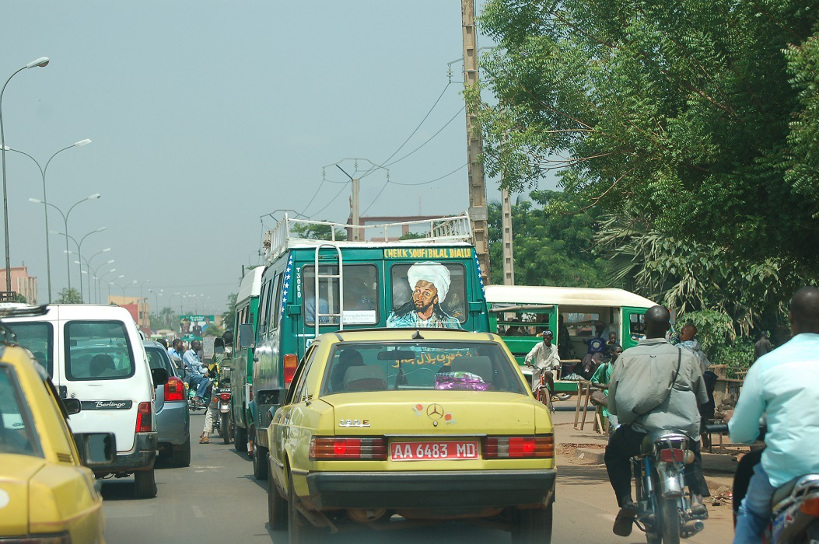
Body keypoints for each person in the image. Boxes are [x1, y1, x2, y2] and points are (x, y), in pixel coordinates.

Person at [605, 305, 710, 536]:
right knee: (693, 444)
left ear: (644, 327)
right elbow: (702, 398)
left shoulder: (626, 357)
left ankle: (626, 503)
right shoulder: (686, 356)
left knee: (614, 452)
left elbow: (613, 403)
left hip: (642, 431)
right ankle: (696, 497)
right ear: (668, 328)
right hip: (682, 430)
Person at [727, 286, 819, 543]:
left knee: (752, 513)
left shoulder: (768, 364)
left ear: (790, 317)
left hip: (783, 473)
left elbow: (741, 433)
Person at [386, 262, 461, 329]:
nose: (420, 297)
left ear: (436, 299)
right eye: (417, 291)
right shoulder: (397, 320)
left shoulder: (450, 323)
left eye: (426, 293)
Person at [590, 344, 623, 429]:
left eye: (621, 352)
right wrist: (606, 387)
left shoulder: (624, 367)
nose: (620, 354)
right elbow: (594, 381)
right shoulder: (605, 366)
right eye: (618, 352)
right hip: (608, 396)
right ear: (611, 353)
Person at [524, 330, 560, 396]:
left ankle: (553, 393)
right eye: (544, 338)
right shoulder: (539, 346)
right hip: (537, 369)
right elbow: (532, 353)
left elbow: (555, 358)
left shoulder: (554, 348)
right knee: (534, 392)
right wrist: (528, 361)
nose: (546, 339)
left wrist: (556, 365)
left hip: (547, 369)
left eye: (548, 338)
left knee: (549, 374)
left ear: (551, 338)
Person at [183, 340, 211, 406]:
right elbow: (192, 363)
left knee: (208, 380)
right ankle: (198, 396)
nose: (200, 346)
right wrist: (202, 364)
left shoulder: (197, 356)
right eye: (198, 344)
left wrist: (208, 371)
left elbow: (200, 370)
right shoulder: (188, 353)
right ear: (194, 345)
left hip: (196, 375)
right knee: (205, 379)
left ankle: (203, 399)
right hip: (189, 375)